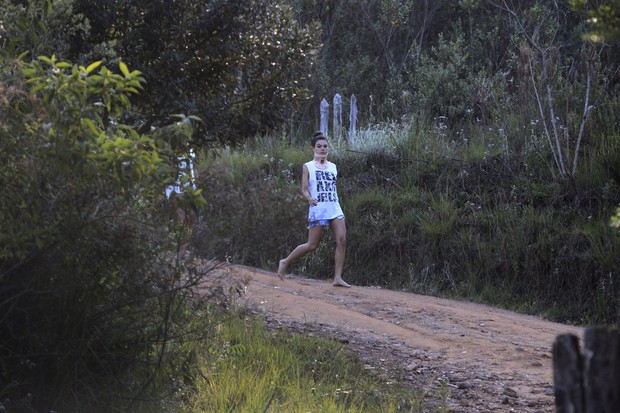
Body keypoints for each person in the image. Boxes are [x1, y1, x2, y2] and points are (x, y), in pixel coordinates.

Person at [277, 132, 351, 287]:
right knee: (312, 245)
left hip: (334, 207)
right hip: (318, 208)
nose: (322, 149)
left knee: (342, 240)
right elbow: (304, 189)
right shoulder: (308, 166)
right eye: (319, 146)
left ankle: (337, 277)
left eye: (325, 146)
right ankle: (285, 261)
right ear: (314, 148)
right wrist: (309, 198)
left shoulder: (333, 167)